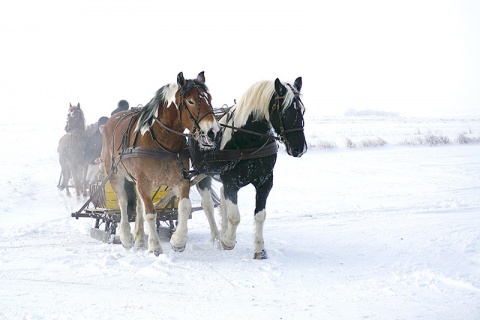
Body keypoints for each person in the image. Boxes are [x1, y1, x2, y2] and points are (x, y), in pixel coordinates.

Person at [84, 116, 108, 184]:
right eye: (101, 127)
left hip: (112, 165)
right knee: (96, 171)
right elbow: (86, 154)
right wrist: (94, 160)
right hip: (96, 165)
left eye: (105, 127)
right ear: (98, 128)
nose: (103, 129)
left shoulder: (114, 138)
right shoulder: (92, 139)